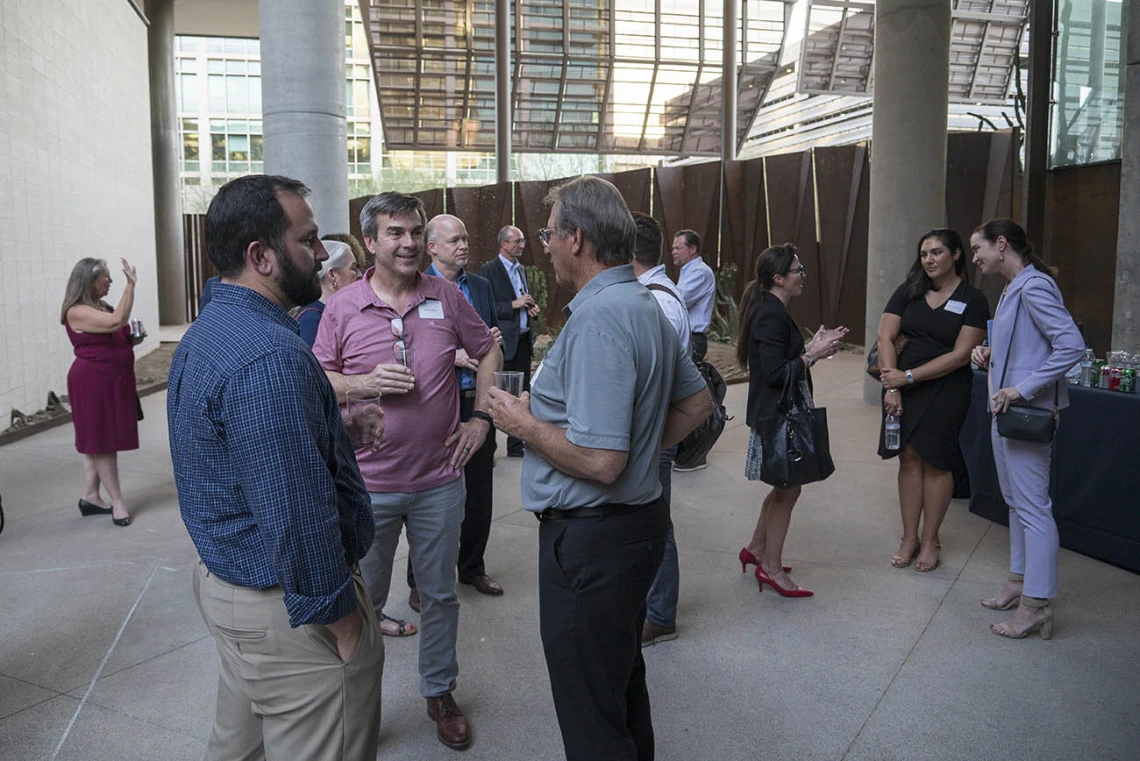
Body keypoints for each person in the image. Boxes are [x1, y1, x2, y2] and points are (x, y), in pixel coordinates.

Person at [486, 177, 712, 761]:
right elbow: (697, 403)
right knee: (617, 685)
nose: (545, 246)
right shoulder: (640, 302)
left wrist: (522, 424)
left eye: (549, 233)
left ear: (575, 238)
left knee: (590, 713)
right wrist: (639, 449)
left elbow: (601, 461)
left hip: (591, 540)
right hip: (630, 529)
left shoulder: (601, 318)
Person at [167, 175, 384, 760]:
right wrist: (343, 627)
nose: (321, 254)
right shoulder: (268, 356)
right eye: (308, 239)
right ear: (261, 256)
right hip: (290, 611)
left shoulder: (211, 330)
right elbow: (295, 511)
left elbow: (235, 456)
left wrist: (334, 433)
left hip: (235, 593)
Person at [314, 192, 501, 751]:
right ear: (370, 242)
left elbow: (487, 349)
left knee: (440, 594)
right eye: (396, 233)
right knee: (363, 600)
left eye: (416, 232)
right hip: (367, 486)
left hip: (440, 480)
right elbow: (318, 377)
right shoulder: (342, 306)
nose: (410, 242)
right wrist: (362, 384)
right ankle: (358, 701)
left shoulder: (446, 294)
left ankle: (439, 691)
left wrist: (481, 418)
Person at [969, 218, 1083, 640]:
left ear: (1001, 245)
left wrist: (1022, 388)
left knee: (1033, 508)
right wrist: (990, 354)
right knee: (1017, 503)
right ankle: (1019, 583)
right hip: (1006, 411)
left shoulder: (1034, 286)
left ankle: (1037, 604)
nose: (975, 256)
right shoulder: (1011, 288)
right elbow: (1027, 346)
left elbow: (1070, 345)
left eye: (978, 247)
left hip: (1024, 414)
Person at [875, 229, 989, 572]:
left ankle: (930, 540)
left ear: (956, 255)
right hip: (900, 385)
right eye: (924, 254)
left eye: (937, 252)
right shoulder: (908, 291)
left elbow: (961, 354)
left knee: (936, 461)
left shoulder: (973, 298)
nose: (929, 260)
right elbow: (885, 336)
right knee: (908, 459)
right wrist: (892, 385)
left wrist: (909, 377)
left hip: (947, 387)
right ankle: (909, 537)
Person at [736, 244, 846, 598]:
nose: (803, 277)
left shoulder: (772, 309)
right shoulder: (771, 314)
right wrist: (811, 356)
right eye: (798, 271)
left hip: (776, 413)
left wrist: (811, 347)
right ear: (779, 278)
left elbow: (781, 359)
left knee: (782, 485)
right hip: (777, 416)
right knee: (788, 487)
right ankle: (770, 568)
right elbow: (772, 373)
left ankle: (756, 549)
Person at [406, 213, 506, 601]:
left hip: (477, 402)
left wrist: (489, 345)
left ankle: (472, 568)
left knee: (479, 492)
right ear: (431, 248)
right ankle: (420, 580)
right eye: (454, 241)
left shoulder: (479, 286)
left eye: (465, 239)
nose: (464, 246)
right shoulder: (416, 288)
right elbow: (408, 349)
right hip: (434, 404)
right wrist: (452, 356)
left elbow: (493, 346)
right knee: (429, 496)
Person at [631, 212, 692, 647]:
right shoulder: (652, 294)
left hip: (656, 433)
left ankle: (661, 613)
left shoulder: (660, 301)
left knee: (657, 524)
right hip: (651, 431)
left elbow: (660, 379)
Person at [61, 257, 143, 527]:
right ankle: (117, 501)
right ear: (89, 280)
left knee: (95, 439)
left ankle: (90, 496)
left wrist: (130, 339)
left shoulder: (100, 306)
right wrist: (130, 285)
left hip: (110, 380)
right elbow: (117, 320)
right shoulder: (76, 311)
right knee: (101, 442)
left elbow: (114, 331)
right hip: (92, 382)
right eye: (105, 277)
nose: (110, 281)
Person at [478, 225, 540, 457]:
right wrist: (514, 305)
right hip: (503, 343)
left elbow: (523, 298)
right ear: (503, 244)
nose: (521, 245)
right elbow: (486, 307)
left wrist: (531, 308)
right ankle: (489, 448)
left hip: (523, 340)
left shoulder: (521, 270)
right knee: (496, 393)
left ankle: (516, 446)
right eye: (517, 241)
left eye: (522, 241)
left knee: (520, 393)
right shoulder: (488, 271)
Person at [295, 240, 362, 347]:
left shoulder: (335, 313)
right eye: (353, 268)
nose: (359, 275)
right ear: (332, 275)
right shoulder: (312, 320)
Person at [671, 229, 715, 362]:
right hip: (687, 337)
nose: (673, 252)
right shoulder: (688, 271)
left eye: (678, 248)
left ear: (693, 249)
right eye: (673, 248)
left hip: (693, 339)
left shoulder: (700, 272)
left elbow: (678, 300)